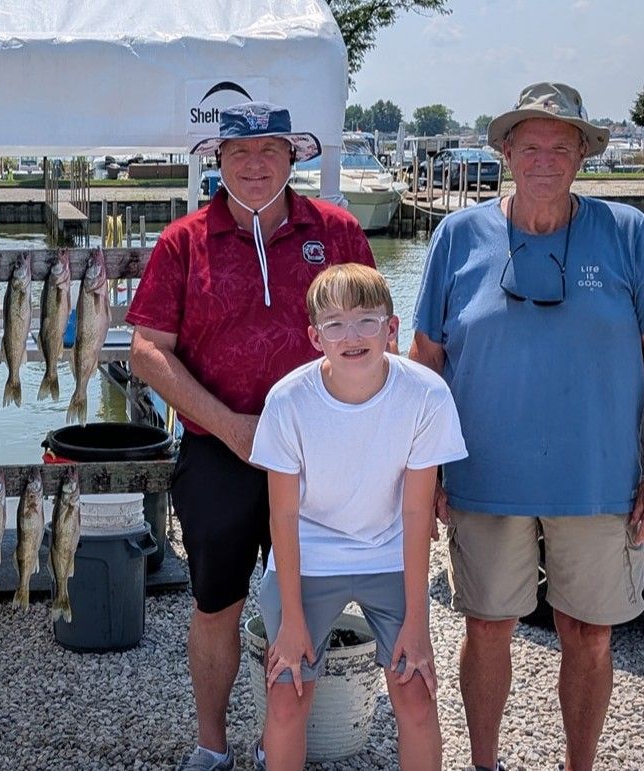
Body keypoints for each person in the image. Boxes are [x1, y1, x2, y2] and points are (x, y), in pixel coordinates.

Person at [410, 82, 644, 771]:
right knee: (487, 623)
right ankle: (483, 762)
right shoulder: (456, 236)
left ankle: (579, 765)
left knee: (588, 632)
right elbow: (425, 363)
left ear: (582, 155)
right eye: (529, 144)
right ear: (504, 151)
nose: (543, 158)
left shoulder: (627, 234)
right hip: (483, 476)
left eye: (560, 146)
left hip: (597, 478)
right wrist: (428, 472)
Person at [127, 101, 375, 771]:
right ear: (217, 160)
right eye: (240, 152)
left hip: (320, 451)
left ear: (294, 157)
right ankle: (212, 743)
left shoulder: (339, 229)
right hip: (221, 447)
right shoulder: (184, 241)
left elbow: (377, 333)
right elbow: (147, 349)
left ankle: (282, 742)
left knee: (305, 602)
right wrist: (232, 426)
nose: (256, 163)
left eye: (269, 149)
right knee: (217, 603)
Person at [251, 263, 466, 771]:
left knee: (415, 692)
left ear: (392, 329)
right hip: (308, 556)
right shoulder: (288, 401)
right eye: (335, 324)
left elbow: (417, 512)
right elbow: (281, 514)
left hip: (390, 551)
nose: (353, 336)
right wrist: (293, 621)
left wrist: (417, 622)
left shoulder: (426, 395)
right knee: (288, 694)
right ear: (314, 336)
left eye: (368, 321)